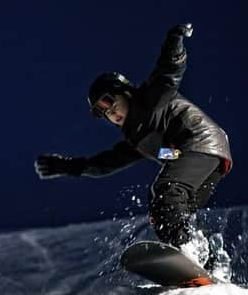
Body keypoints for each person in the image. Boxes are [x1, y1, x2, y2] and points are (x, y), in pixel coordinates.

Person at [34, 24, 232, 261]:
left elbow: (169, 72)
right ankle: (206, 262)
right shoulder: (136, 139)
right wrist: (65, 166)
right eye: (104, 113)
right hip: (195, 160)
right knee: (164, 210)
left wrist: (174, 40)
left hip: (199, 142)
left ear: (125, 92)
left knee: (166, 192)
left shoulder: (149, 98)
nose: (112, 114)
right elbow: (105, 164)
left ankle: (187, 251)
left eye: (111, 104)